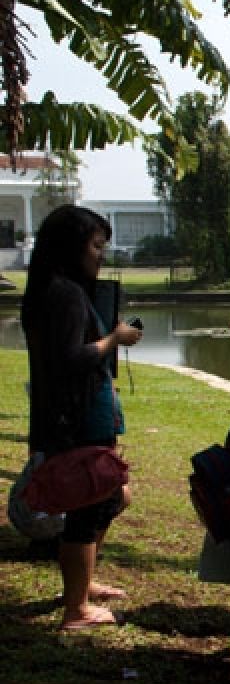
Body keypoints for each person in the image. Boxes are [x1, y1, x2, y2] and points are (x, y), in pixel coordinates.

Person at [20, 205, 143, 631]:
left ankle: (83, 585)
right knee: (91, 503)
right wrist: (116, 338)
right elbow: (71, 358)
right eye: (95, 246)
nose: (100, 255)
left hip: (77, 414)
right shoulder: (64, 294)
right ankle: (76, 609)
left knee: (111, 496)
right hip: (76, 418)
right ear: (71, 248)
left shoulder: (56, 290)